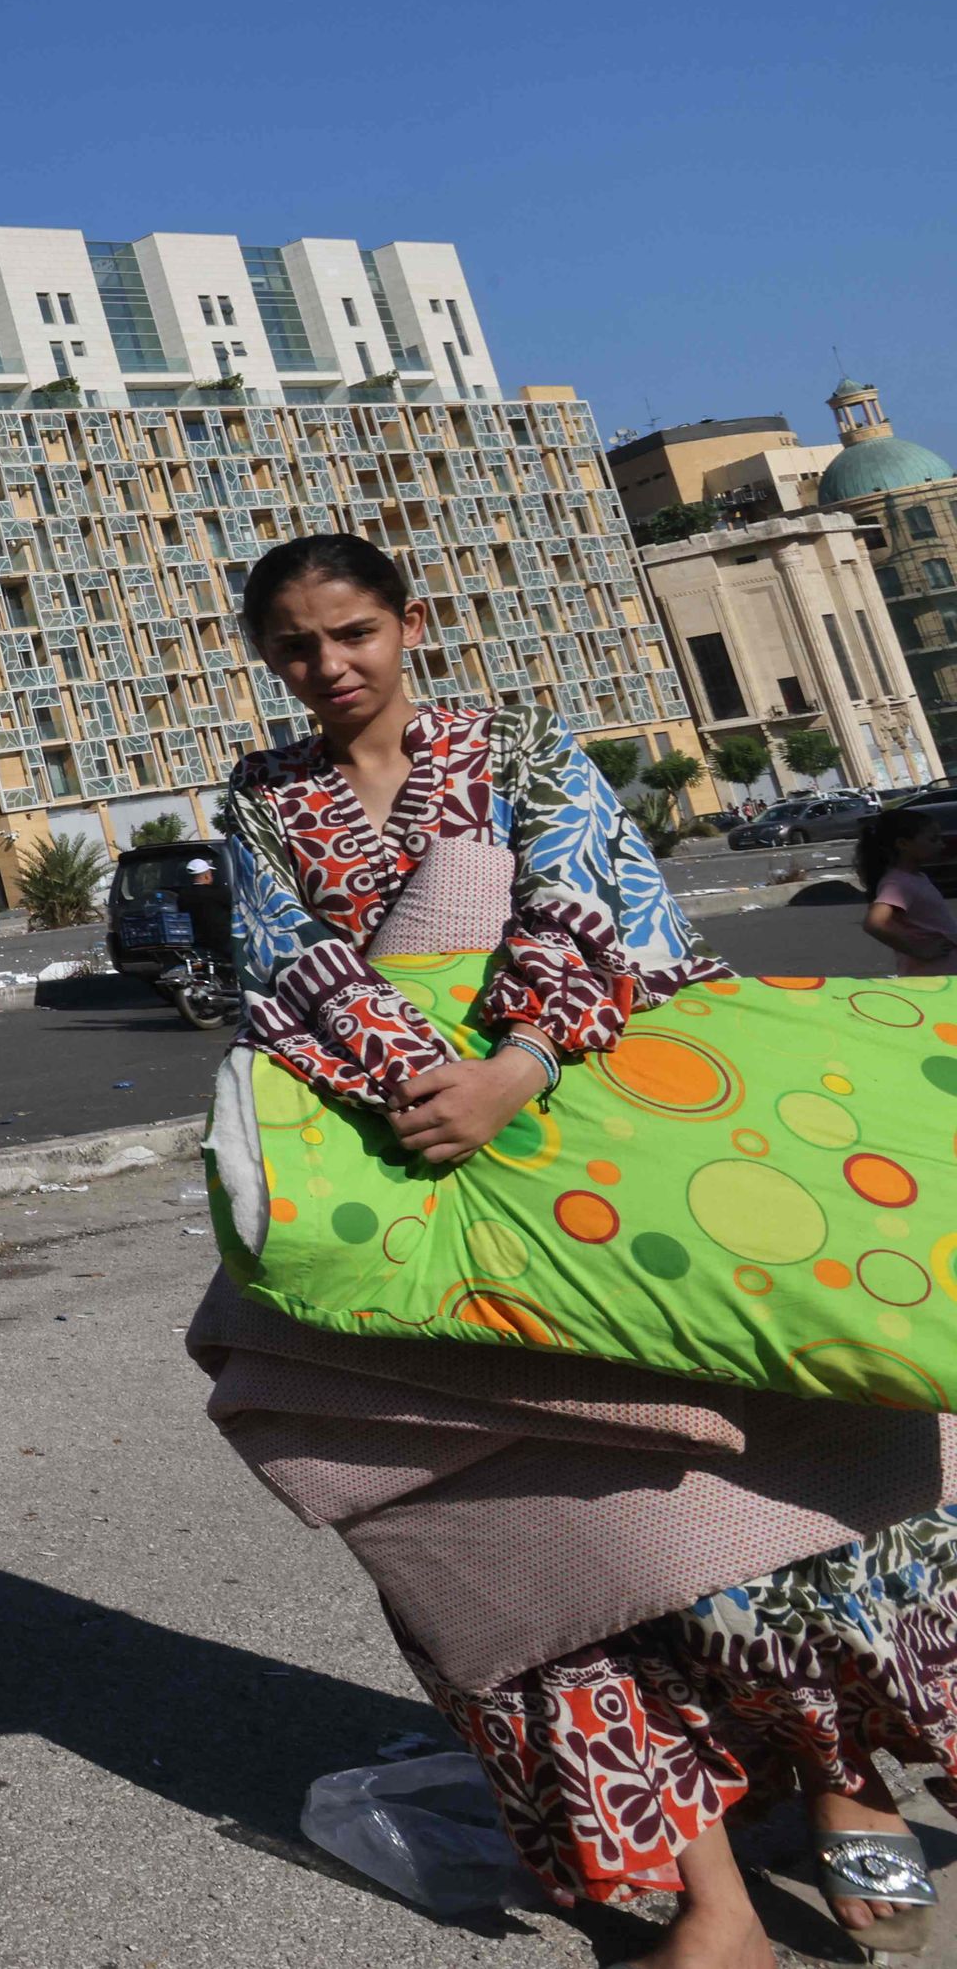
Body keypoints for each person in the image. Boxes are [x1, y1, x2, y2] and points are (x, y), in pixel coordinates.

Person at [207, 531, 957, 1961]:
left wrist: (524, 1064)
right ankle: (711, 1897)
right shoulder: (263, 803)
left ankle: (848, 1781)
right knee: (541, 1537)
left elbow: (594, 907)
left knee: (754, 1484)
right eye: (297, 647)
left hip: (615, 1146)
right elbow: (280, 969)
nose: (330, 666)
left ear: (407, 622)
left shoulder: (521, 746)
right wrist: (416, 1087)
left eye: (353, 632)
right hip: (416, 1173)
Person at [858, 805, 957, 972]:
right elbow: (874, 923)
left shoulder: (917, 877)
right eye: (933, 839)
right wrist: (918, 950)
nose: (941, 845)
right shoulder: (897, 883)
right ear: (903, 844)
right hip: (932, 975)